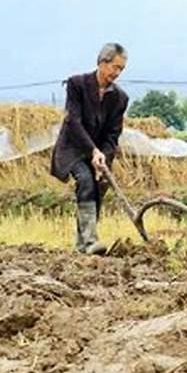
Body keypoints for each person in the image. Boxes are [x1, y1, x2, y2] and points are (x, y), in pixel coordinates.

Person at [50, 43, 129, 254]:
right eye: (115, 67)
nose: (117, 73)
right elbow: (73, 121)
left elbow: (113, 134)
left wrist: (103, 156)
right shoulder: (77, 84)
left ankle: (83, 244)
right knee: (84, 180)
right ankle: (89, 241)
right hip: (73, 148)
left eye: (121, 69)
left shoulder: (120, 98)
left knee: (97, 188)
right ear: (102, 63)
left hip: (100, 153)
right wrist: (92, 150)